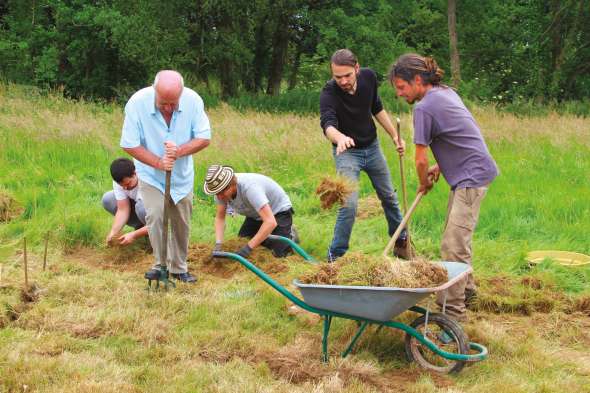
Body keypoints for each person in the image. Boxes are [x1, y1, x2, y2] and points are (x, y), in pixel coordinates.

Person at [389, 53, 499, 322]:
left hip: (471, 178)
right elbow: (458, 134)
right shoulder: (445, 92)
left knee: (453, 246)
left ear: (417, 80)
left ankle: (452, 314)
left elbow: (420, 158)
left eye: (401, 88)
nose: (400, 95)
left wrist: (424, 179)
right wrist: (442, 165)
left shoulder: (424, 107)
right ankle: (468, 289)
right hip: (470, 172)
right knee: (457, 238)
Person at [120, 70, 211, 283]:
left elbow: (204, 137)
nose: (169, 107)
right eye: (163, 103)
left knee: (181, 221)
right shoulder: (137, 104)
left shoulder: (193, 101)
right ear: (154, 91)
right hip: (150, 174)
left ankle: (179, 268)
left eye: (173, 103)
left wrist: (179, 152)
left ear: (181, 94)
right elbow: (129, 143)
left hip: (181, 176)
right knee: (155, 215)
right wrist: (158, 162)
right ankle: (160, 265)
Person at [320, 48, 409, 262]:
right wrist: (339, 138)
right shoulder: (329, 92)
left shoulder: (368, 77)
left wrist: (394, 136)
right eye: (337, 77)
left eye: (347, 75)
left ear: (357, 69)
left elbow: (376, 107)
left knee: (389, 196)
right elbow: (327, 124)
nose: (342, 81)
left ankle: (401, 241)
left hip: (373, 147)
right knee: (348, 204)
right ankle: (336, 255)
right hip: (347, 153)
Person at [203, 164, 298, 258]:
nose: (219, 197)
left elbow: (270, 222)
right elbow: (220, 218)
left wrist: (248, 248)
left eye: (222, 192)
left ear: (231, 184)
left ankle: (290, 235)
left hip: (278, 211)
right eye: (216, 193)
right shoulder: (220, 192)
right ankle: (270, 235)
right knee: (241, 242)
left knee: (278, 254)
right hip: (255, 215)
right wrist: (218, 244)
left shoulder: (250, 188)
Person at [102, 158, 148, 246]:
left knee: (141, 208)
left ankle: (154, 236)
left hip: (160, 211)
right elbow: (123, 209)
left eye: (128, 184)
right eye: (121, 185)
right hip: (139, 206)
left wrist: (134, 235)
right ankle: (140, 227)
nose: (125, 188)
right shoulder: (121, 181)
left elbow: (157, 220)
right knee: (108, 199)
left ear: (135, 173)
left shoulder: (146, 181)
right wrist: (113, 233)